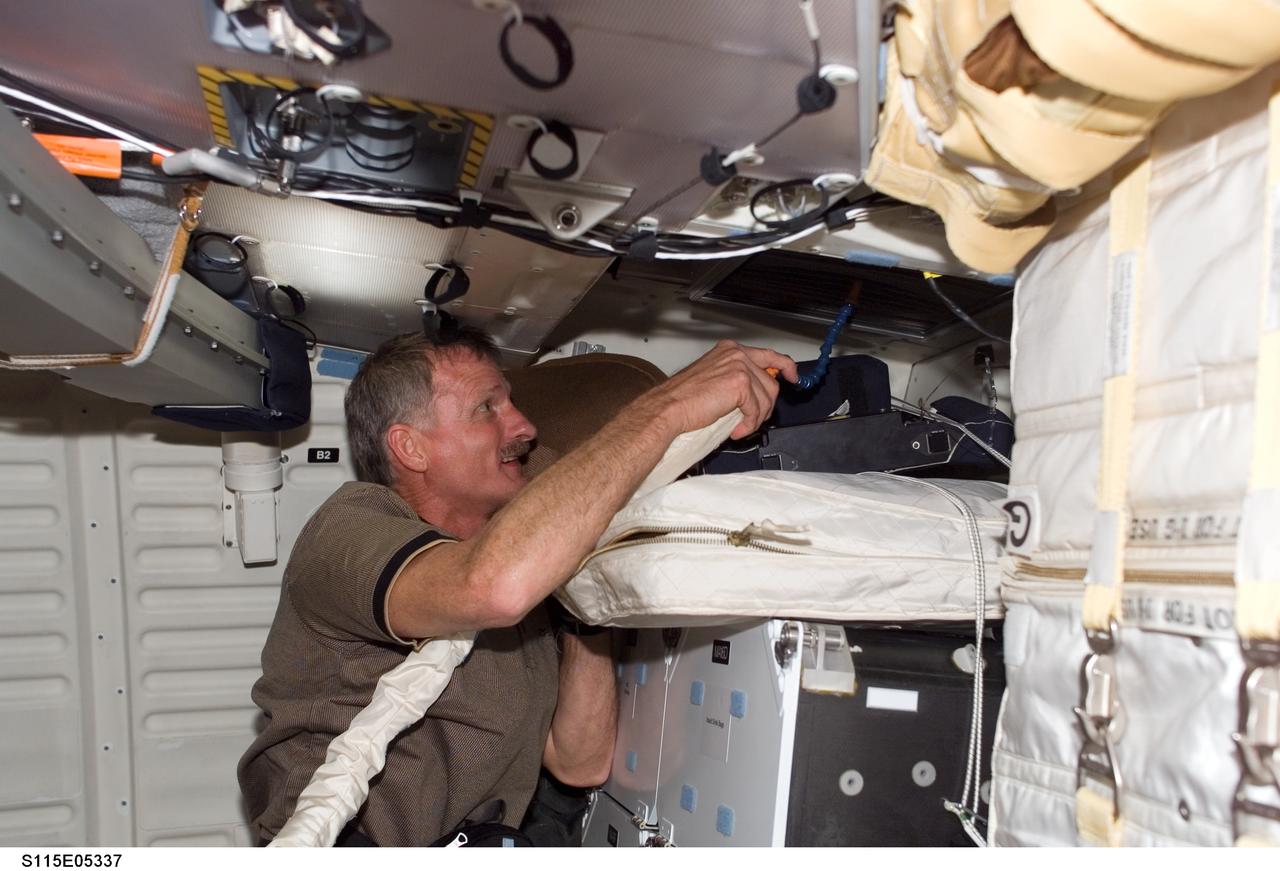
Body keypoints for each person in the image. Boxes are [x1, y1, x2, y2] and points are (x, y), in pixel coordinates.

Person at [237, 326, 797, 847]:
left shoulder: (523, 578)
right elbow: (491, 589)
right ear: (410, 448)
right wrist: (670, 407)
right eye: (487, 408)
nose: (523, 427)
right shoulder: (349, 529)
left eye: (512, 403)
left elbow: (581, 762)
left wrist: (585, 600)